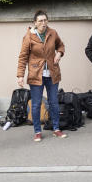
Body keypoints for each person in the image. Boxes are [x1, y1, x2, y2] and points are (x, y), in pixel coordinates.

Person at [16, 10, 67, 142]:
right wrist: (20, 75)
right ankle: (37, 131)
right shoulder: (29, 36)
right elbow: (23, 57)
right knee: (36, 104)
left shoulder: (53, 33)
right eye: (40, 21)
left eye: (45, 20)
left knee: (54, 103)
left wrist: (59, 54)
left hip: (52, 73)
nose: (43, 23)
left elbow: (61, 45)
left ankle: (56, 129)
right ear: (35, 23)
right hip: (36, 74)